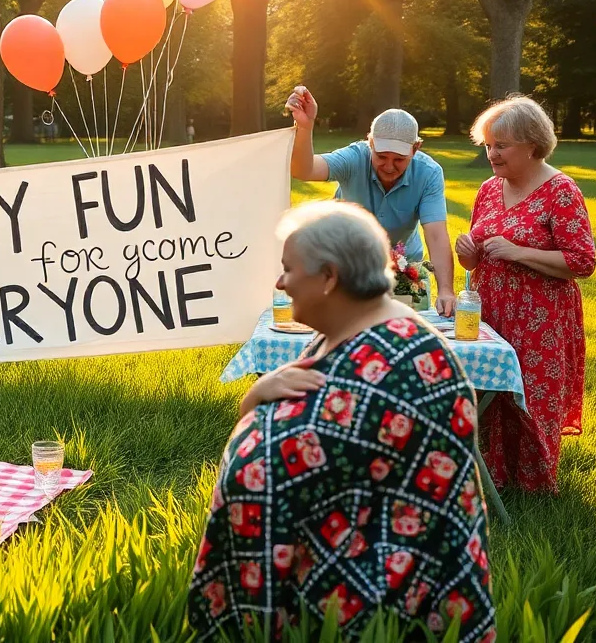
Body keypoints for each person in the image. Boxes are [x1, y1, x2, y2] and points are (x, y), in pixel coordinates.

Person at [190, 202, 494, 641]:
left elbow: (283, 463)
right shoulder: (349, 327)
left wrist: (253, 422)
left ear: (330, 277)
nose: (279, 282)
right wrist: (255, 397)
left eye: (289, 270)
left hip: (383, 607)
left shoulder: (403, 366)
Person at [456, 96, 595, 494]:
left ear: (532, 145)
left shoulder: (561, 191)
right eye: (487, 144)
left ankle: (533, 491)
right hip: (491, 314)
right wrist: (469, 255)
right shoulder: (488, 189)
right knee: (490, 393)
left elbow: (582, 261)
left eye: (501, 145)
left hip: (542, 319)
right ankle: (492, 479)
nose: (491, 154)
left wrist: (519, 252)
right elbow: (478, 257)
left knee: (532, 400)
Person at [286, 86, 457, 315]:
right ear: (371, 143)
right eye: (381, 156)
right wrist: (305, 127)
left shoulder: (429, 173)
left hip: (405, 269)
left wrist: (446, 290)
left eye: (399, 159)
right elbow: (304, 170)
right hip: (348, 265)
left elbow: (436, 235)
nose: (388, 166)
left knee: (403, 337)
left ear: (416, 149)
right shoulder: (354, 157)